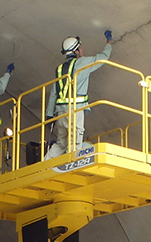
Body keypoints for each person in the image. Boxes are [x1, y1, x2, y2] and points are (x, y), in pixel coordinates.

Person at [43, 30, 114, 160]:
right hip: (75, 110)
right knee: (75, 142)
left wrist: (48, 115)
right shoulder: (83, 63)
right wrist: (109, 42)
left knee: (61, 143)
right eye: (80, 47)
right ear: (76, 51)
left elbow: (54, 92)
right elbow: (103, 57)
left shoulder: (59, 69)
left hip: (60, 112)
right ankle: (72, 167)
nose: (82, 49)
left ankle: (42, 167)